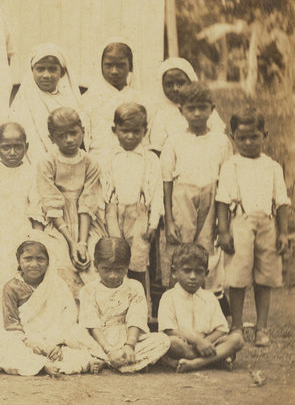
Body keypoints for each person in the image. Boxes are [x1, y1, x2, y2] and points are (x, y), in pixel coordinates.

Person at [216, 108, 291, 347]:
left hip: (267, 224)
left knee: (264, 277)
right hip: (240, 222)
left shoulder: (273, 166)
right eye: (242, 138)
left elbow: (281, 202)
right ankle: (236, 326)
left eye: (254, 137)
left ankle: (262, 328)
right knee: (237, 277)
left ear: (264, 135)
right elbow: (222, 201)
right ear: (233, 137)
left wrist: (284, 233)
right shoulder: (231, 165)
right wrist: (223, 230)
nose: (248, 142)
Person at [160, 81, 233, 294]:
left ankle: (204, 305)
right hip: (182, 197)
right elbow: (166, 181)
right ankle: (176, 307)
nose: (197, 113)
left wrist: (223, 223)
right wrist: (169, 220)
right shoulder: (174, 140)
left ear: (212, 108)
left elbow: (226, 184)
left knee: (205, 253)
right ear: (181, 110)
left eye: (203, 107)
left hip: (211, 197)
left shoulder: (221, 141)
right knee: (180, 251)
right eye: (191, 108)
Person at [29, 107, 104, 298]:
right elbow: (51, 203)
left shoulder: (90, 163)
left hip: (85, 224)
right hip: (58, 224)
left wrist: (82, 242)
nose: (69, 139)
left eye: (74, 133)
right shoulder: (47, 162)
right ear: (52, 138)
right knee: (59, 258)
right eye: (62, 135)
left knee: (96, 256)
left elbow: (88, 203)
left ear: (83, 132)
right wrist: (71, 243)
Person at [0, 241, 105, 376]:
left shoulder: (56, 283)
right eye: (27, 259)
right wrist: (30, 343)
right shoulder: (11, 287)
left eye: (40, 259)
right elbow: (11, 325)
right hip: (28, 338)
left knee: (77, 333)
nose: (34, 264)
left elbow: (68, 317)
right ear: (18, 260)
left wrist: (58, 343)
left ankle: (92, 360)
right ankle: (45, 364)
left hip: (57, 338)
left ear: (48, 262)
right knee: (9, 348)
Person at [98, 103, 162, 310]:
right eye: (124, 131)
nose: (130, 137)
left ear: (145, 131)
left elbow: (158, 191)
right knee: (115, 257)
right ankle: (115, 308)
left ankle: (140, 311)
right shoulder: (107, 157)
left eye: (136, 132)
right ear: (114, 129)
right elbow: (103, 188)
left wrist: (153, 224)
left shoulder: (150, 159)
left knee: (138, 262)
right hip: (113, 213)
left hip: (140, 214)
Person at [78, 237, 170, 373]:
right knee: (73, 333)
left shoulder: (134, 287)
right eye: (106, 269)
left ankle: (106, 362)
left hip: (127, 340)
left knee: (163, 340)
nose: (113, 276)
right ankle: (119, 362)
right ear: (96, 266)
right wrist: (108, 350)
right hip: (100, 341)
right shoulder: (88, 290)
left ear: (127, 267)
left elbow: (136, 319)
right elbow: (92, 324)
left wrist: (130, 345)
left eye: (119, 270)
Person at [0, 123, 37, 322]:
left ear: (26, 147)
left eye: (18, 147)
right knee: (0, 272)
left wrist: (38, 237)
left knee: (26, 271)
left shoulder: (32, 172)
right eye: (6, 147)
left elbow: (36, 208)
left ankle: (26, 319)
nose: (12, 152)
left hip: (24, 229)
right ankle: (3, 321)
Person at [158, 243, 244, 372]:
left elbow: (221, 329)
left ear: (206, 274)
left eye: (198, 271)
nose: (192, 276)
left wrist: (205, 343)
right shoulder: (168, 297)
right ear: (174, 272)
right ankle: (216, 359)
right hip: (184, 345)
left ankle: (196, 363)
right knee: (172, 343)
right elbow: (169, 330)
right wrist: (197, 342)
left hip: (209, 343)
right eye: (187, 270)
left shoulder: (210, 298)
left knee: (237, 339)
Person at [9, 43, 87, 164]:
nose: (46, 75)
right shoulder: (22, 103)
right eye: (40, 69)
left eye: (52, 69)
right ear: (31, 71)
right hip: (33, 164)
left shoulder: (70, 101)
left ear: (62, 72)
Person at [148, 57, 225, 155]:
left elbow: (220, 142)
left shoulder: (206, 111)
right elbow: (158, 149)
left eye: (180, 83)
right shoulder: (161, 115)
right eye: (169, 84)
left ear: (191, 81)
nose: (175, 88)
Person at [82, 39, 146, 157]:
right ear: (101, 66)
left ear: (130, 66)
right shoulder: (87, 100)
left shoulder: (140, 99)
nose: (114, 71)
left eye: (121, 65)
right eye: (109, 65)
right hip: (98, 161)